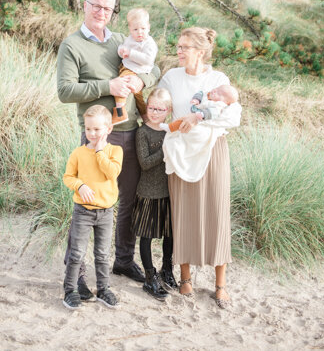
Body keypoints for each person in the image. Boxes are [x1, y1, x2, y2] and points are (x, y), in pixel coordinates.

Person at [57, 0, 160, 298]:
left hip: (130, 132)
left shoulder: (120, 41)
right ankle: (78, 275)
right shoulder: (71, 45)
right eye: (96, 6)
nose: (102, 13)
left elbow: (154, 68)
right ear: (85, 6)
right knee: (89, 205)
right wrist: (108, 84)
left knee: (127, 200)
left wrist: (142, 80)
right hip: (96, 138)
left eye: (108, 8)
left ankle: (124, 260)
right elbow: (65, 91)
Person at [157, 27, 241, 308]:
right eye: (178, 46)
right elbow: (159, 107)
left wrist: (197, 118)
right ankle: (185, 278)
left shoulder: (218, 79)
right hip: (181, 152)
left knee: (217, 213)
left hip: (213, 151)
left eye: (184, 47)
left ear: (200, 51)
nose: (178, 51)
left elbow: (232, 116)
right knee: (183, 213)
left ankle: (220, 284)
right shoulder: (171, 77)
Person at [62, 105, 123, 309]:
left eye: (97, 129)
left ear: (108, 129)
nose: (92, 133)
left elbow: (111, 173)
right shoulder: (79, 153)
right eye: (88, 129)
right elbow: (68, 177)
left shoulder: (115, 151)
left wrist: (99, 152)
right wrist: (80, 185)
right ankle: (70, 290)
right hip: (83, 211)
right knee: (77, 253)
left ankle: (103, 289)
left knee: (103, 253)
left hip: (105, 212)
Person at [131, 88, 177, 301]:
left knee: (170, 234)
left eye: (160, 109)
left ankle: (166, 270)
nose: (155, 112)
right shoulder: (143, 132)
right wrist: (165, 149)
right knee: (147, 236)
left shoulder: (171, 131)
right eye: (151, 108)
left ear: (168, 111)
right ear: (146, 107)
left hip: (169, 191)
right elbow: (145, 163)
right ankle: (150, 276)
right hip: (149, 191)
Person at [113, 8, 158, 125]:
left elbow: (148, 60)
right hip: (128, 67)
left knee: (121, 85)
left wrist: (131, 53)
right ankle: (146, 118)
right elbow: (123, 47)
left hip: (135, 70)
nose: (139, 32)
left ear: (148, 27)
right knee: (138, 97)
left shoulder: (149, 43)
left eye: (143, 28)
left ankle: (119, 112)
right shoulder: (130, 39)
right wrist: (121, 51)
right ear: (130, 29)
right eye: (135, 29)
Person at [161, 84, 239, 132]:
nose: (215, 91)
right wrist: (196, 99)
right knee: (182, 120)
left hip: (200, 118)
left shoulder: (218, 106)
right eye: (217, 89)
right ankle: (170, 127)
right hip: (194, 111)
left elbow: (213, 113)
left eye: (219, 93)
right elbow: (200, 94)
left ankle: (170, 128)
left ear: (225, 102)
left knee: (183, 122)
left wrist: (202, 115)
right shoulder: (207, 94)